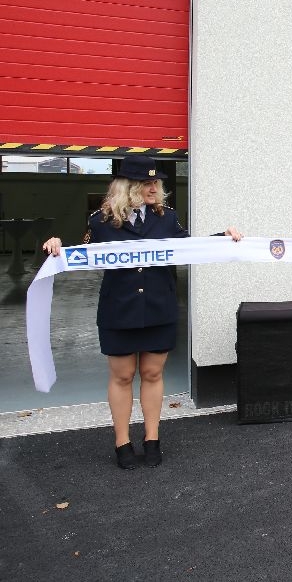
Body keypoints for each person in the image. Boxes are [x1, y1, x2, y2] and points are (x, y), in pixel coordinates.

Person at [42, 155, 242, 470]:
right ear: (128, 187)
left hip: (157, 308)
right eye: (146, 182)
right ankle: (122, 443)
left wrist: (224, 239)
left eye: (155, 182)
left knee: (152, 374)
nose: (154, 187)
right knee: (122, 376)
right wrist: (57, 246)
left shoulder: (166, 218)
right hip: (118, 311)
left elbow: (188, 247)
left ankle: (152, 439)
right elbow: (82, 253)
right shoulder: (101, 220)